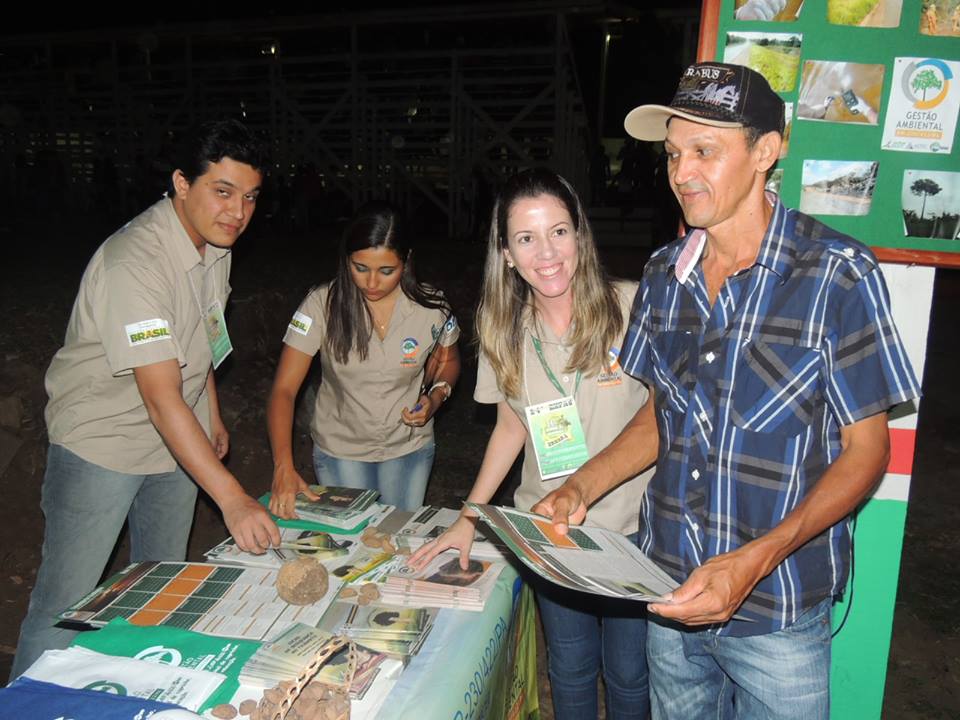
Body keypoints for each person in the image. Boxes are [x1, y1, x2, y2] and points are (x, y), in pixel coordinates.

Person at [533, 62, 921, 719]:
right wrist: (582, 485)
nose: (682, 172)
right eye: (673, 154)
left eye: (705, 151)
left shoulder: (836, 275)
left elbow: (867, 453)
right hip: (668, 589)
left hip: (779, 608)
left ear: (767, 150)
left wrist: (755, 561)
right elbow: (663, 414)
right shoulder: (664, 274)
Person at [12, 119, 281, 679]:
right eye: (223, 192)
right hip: (102, 443)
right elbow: (159, 398)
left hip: (175, 446)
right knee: (67, 604)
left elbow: (201, 333)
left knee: (160, 590)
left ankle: (131, 692)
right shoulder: (134, 262)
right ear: (182, 184)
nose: (238, 212)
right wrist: (232, 497)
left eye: (250, 197)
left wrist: (210, 409)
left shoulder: (215, 246)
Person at [410, 168, 655, 720]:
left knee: (630, 674)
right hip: (548, 533)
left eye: (559, 231)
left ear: (580, 235)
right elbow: (511, 427)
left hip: (630, 532)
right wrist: (470, 516)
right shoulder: (504, 330)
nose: (547, 253)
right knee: (567, 668)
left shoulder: (634, 308)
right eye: (526, 238)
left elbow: (666, 417)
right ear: (507, 254)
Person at [267, 202, 460, 514]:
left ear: (406, 261)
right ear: (346, 260)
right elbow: (284, 390)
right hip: (342, 449)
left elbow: (448, 361)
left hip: (408, 446)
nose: (372, 283)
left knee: (399, 542)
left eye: (386, 271)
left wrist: (436, 397)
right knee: (352, 547)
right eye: (360, 268)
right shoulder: (320, 305)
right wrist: (283, 466)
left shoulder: (432, 307)